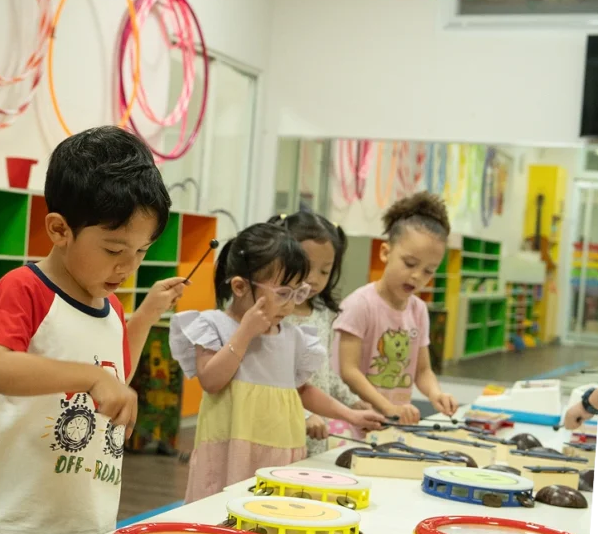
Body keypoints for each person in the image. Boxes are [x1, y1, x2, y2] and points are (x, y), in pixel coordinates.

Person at [0, 126, 187, 534]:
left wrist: (146, 315)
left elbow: (114, 376)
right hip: (8, 533)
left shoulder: (111, 307)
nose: (128, 266)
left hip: (85, 528)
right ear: (59, 229)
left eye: (141, 251)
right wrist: (91, 378)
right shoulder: (25, 288)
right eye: (114, 249)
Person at [169, 223, 384, 503]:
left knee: (273, 512)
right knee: (221, 512)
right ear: (240, 287)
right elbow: (211, 381)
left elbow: (302, 390)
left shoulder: (293, 336)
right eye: (283, 293)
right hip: (230, 452)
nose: (290, 305)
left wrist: (350, 415)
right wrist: (245, 333)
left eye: (297, 293)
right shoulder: (213, 325)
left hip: (280, 451)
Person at [334, 192, 459, 425]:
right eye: (410, 264)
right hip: (352, 422)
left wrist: (436, 394)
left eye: (429, 271)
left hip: (392, 422)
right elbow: (348, 371)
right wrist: (387, 407)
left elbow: (422, 371)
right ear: (385, 252)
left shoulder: (418, 310)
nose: (417, 276)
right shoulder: (360, 304)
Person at [272, 210, 367, 455]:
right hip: (279, 427)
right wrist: (304, 414)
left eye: (324, 271)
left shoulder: (324, 313)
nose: (314, 279)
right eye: (307, 267)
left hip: (316, 432)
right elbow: (270, 376)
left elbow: (325, 372)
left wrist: (353, 403)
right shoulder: (272, 313)